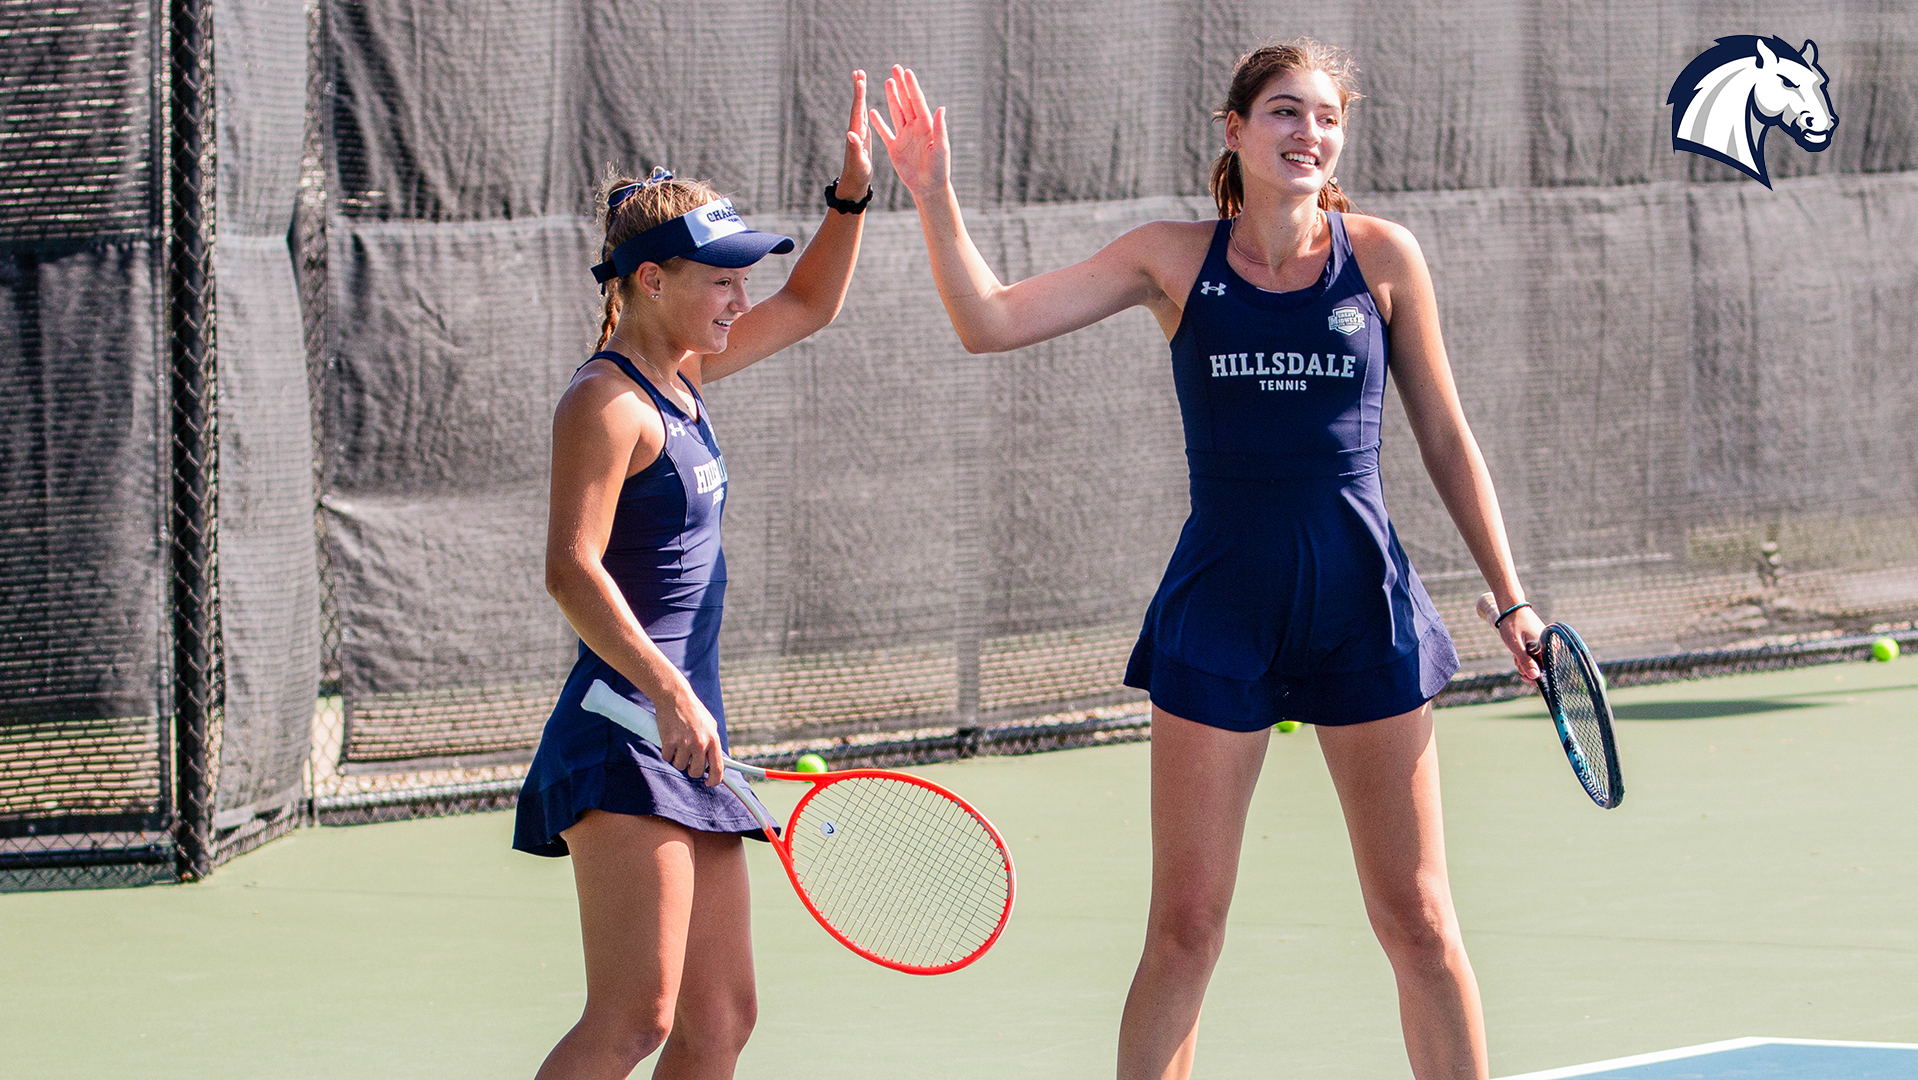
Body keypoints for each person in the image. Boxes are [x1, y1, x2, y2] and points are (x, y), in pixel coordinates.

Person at [873, 42, 1545, 1080]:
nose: (1306, 135)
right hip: (1220, 608)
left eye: (1324, 117)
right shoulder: (1169, 258)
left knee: (1417, 919)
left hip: (1360, 602)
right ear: (1234, 131)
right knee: (1185, 926)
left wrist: (1512, 602)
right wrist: (933, 194)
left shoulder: (1385, 258)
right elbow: (988, 320)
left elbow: (1447, 439)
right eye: (1283, 113)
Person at [513, 72, 874, 1080]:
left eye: (738, 276)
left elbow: (810, 301)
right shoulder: (607, 402)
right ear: (650, 281)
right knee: (635, 1018)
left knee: (720, 1022)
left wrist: (849, 195)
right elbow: (569, 567)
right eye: (718, 279)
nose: (738, 297)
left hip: (686, 730)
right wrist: (668, 691)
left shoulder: (684, 376)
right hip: (624, 730)